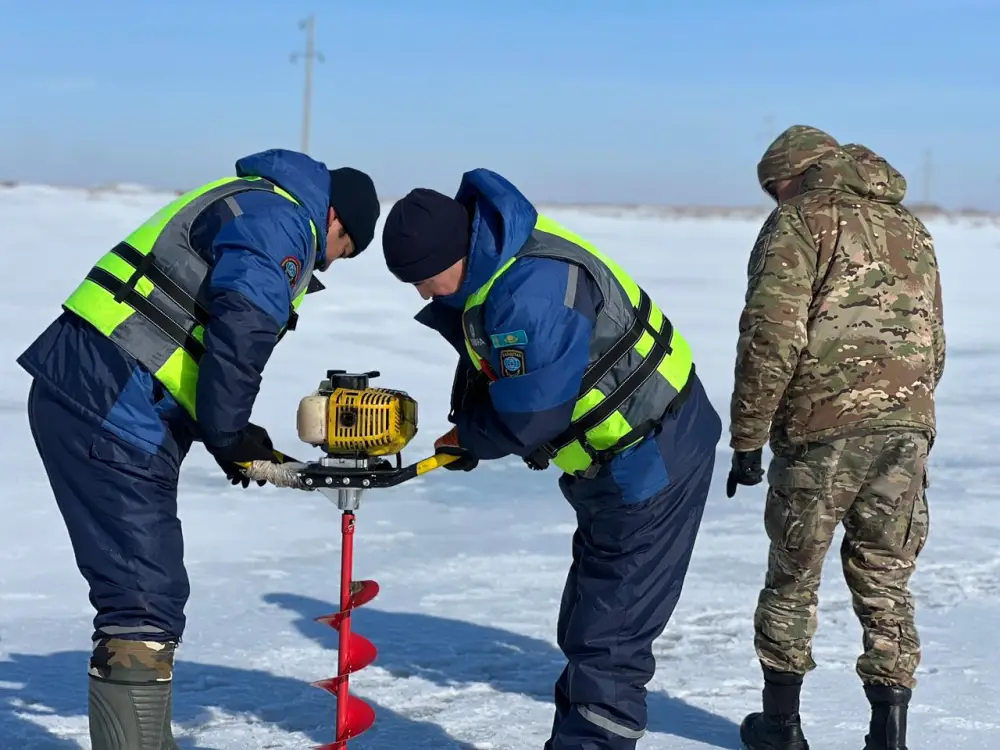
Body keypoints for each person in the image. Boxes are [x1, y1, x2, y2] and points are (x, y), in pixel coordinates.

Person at [17, 148, 380, 749]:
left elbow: (200, 333)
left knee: (145, 592)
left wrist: (228, 436)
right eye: (345, 251)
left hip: (111, 398)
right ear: (337, 221)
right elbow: (243, 327)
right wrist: (230, 431)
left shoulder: (255, 203)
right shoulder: (282, 221)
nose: (330, 265)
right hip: (108, 404)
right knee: (142, 599)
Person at [380, 169, 722, 750]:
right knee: (589, 617)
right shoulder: (497, 265)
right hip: (609, 465)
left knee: (609, 636)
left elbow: (533, 416)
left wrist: (473, 437)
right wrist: (471, 429)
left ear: (458, 251)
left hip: (653, 457)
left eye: (427, 279)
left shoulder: (531, 290)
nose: (424, 294)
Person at [726, 126, 946, 750]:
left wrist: (749, 437)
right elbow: (934, 339)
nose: (775, 200)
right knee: (886, 574)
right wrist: (910, 412)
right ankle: (888, 734)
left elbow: (771, 336)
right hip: (907, 427)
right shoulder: (911, 228)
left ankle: (781, 727)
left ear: (792, 175)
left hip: (822, 428)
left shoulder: (799, 223)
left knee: (793, 576)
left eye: (775, 188)